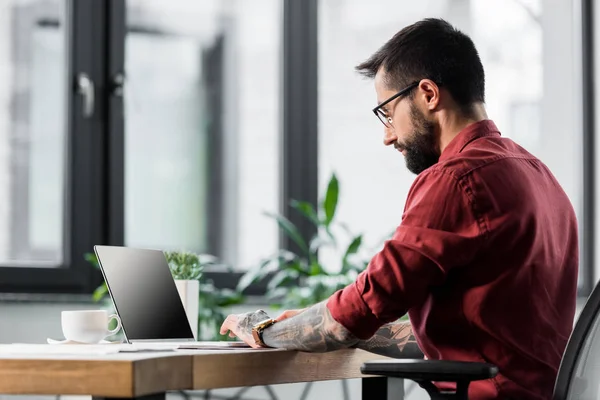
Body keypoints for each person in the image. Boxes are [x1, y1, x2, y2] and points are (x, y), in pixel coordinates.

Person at [220, 18, 578, 400]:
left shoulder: (457, 179)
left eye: (388, 113)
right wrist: (306, 323)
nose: (388, 135)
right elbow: (470, 330)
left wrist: (263, 331)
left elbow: (366, 303)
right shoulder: (539, 176)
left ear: (427, 93)